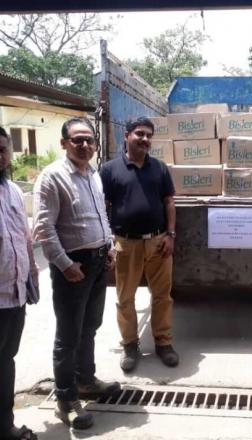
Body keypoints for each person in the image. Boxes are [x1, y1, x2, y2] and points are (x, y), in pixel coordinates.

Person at [33, 117, 120, 430]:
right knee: (68, 335)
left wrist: (109, 246)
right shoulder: (53, 176)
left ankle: (86, 380)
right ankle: (66, 398)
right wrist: (64, 264)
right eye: (77, 140)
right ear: (64, 143)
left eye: (89, 140)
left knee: (90, 326)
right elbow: (44, 227)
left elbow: (101, 215)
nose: (85, 145)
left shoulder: (93, 173)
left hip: (98, 261)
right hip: (74, 265)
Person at [100, 117, 178, 372]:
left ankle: (163, 343)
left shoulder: (159, 168)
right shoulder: (110, 170)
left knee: (162, 296)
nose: (145, 139)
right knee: (125, 298)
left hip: (158, 242)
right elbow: (103, 207)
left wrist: (170, 234)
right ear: (127, 136)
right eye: (140, 134)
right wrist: (108, 238)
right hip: (126, 243)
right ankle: (131, 345)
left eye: (149, 135)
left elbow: (169, 202)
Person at [0, 126, 38, 440]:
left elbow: (24, 238)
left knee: (5, 362)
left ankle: (5, 426)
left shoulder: (12, 190)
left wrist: (32, 276)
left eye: (2, 149)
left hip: (14, 296)